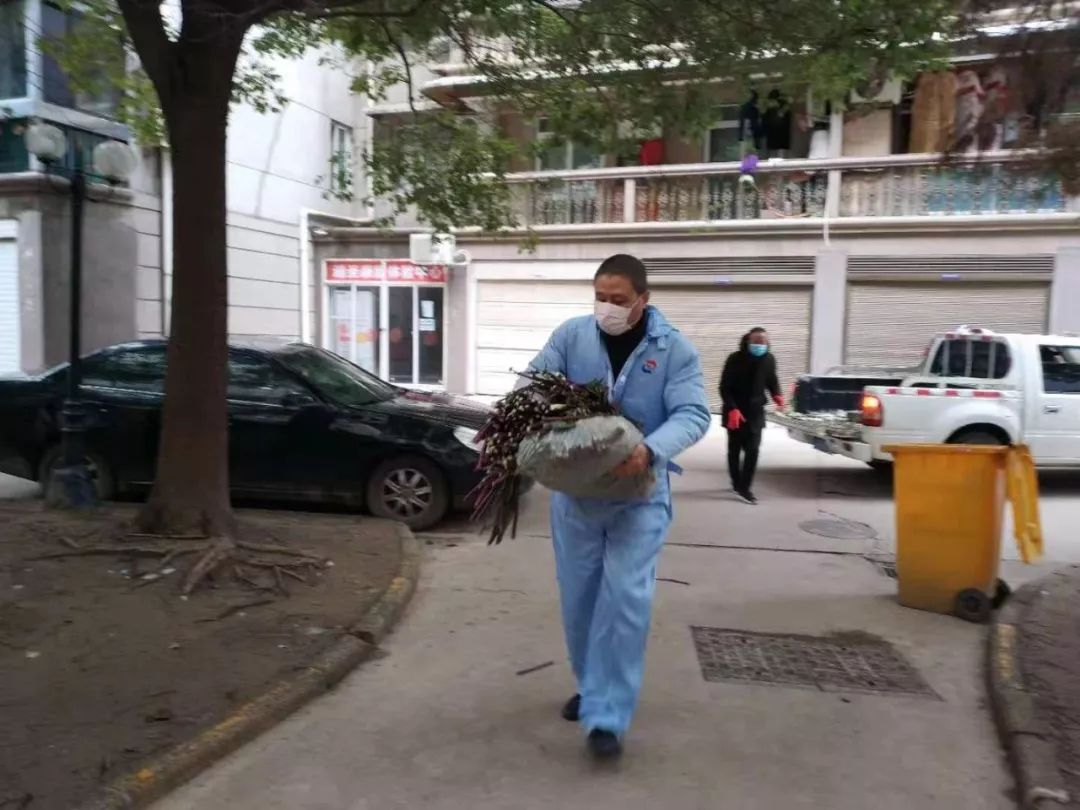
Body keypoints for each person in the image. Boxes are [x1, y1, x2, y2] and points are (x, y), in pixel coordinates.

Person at [525, 254, 710, 760]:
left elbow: (693, 413)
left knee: (626, 598)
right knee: (580, 599)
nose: (607, 308)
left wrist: (650, 449)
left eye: (619, 300)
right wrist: (535, 417)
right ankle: (592, 686)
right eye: (600, 298)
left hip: (639, 496)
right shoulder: (572, 336)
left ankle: (607, 714)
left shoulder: (674, 351)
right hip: (579, 495)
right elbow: (533, 383)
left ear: (643, 300)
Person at [720, 327, 783, 505]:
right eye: (756, 341)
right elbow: (724, 387)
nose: (760, 344)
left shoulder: (769, 359)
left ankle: (745, 488)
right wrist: (732, 408)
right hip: (735, 412)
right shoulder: (735, 359)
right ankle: (736, 483)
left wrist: (777, 394)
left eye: (763, 341)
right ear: (748, 340)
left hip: (756, 412)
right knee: (734, 450)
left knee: (753, 450)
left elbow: (771, 379)